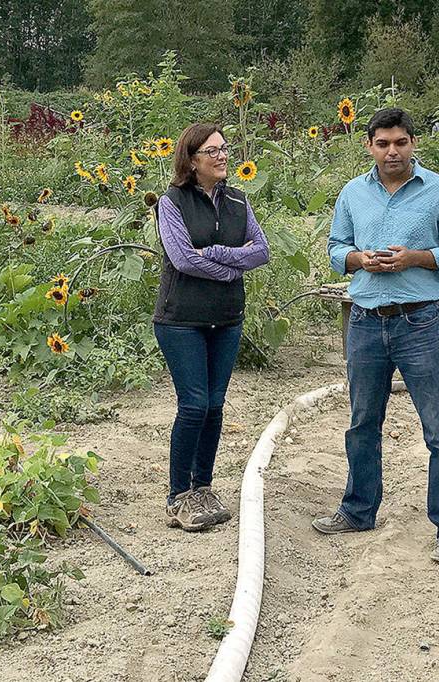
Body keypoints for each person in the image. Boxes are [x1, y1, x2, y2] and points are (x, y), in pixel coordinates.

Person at [313, 108, 439, 565]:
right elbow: (336, 248)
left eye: (400, 142)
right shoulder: (353, 193)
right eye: (383, 144)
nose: (392, 152)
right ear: (369, 146)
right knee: (362, 422)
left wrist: (415, 258)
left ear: (413, 143)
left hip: (418, 321)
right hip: (365, 321)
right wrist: (359, 259)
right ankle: (358, 510)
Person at [153, 123, 270, 531]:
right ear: (191, 160)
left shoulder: (238, 201)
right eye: (212, 151)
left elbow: (261, 251)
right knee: (194, 405)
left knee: (215, 405)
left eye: (224, 149)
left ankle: (202, 487)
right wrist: (231, 269)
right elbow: (183, 259)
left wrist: (217, 253)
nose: (222, 156)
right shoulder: (171, 203)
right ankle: (178, 496)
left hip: (227, 319)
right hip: (181, 320)